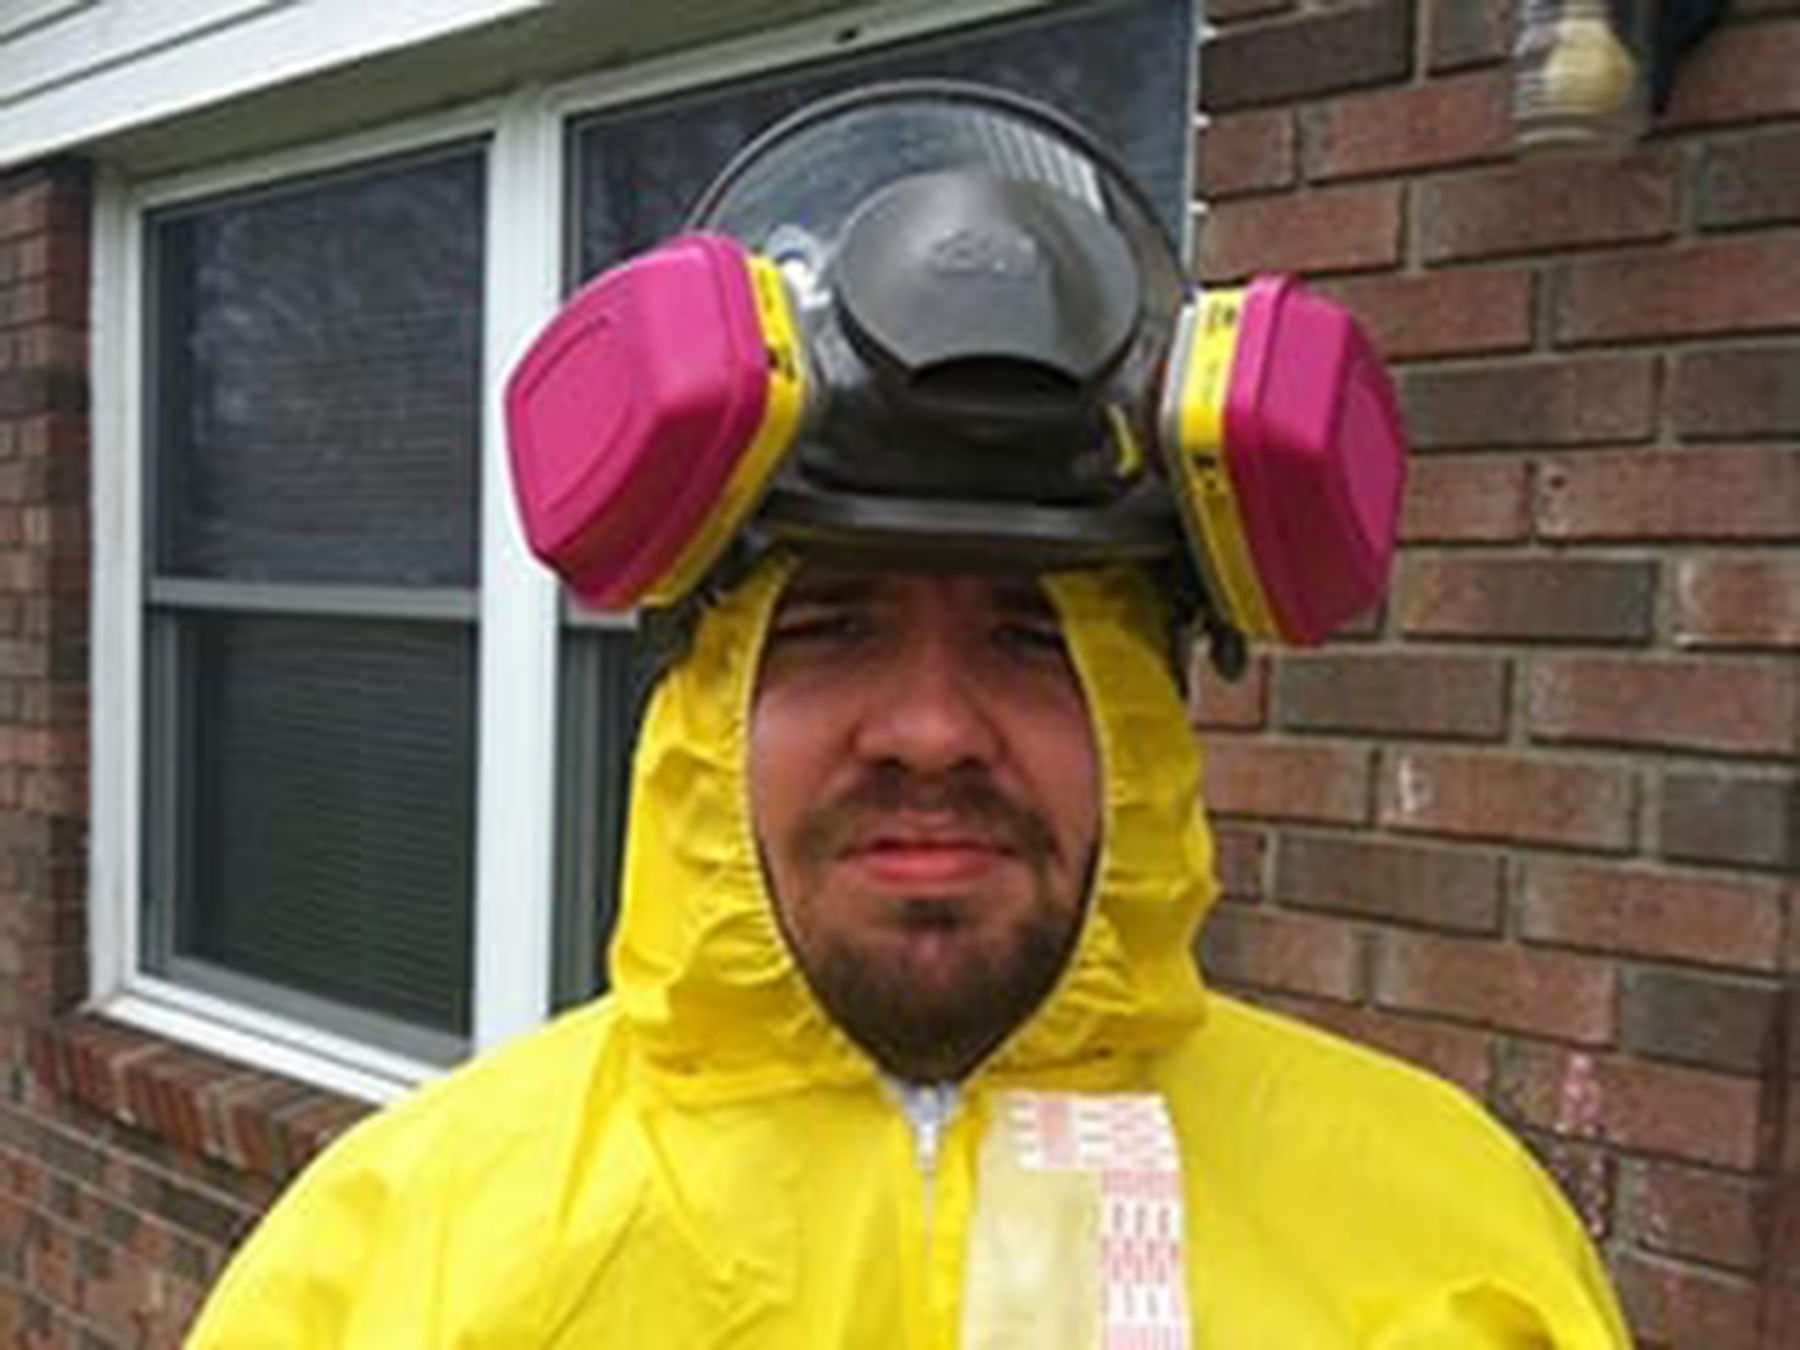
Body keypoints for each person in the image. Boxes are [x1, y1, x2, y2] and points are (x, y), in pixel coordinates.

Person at [189, 84, 1629, 1347]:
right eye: (834, 629)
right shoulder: (391, 1266)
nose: (931, 728)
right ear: (707, 707)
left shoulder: (1457, 1252)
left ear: (1140, 726)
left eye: (1030, 638)